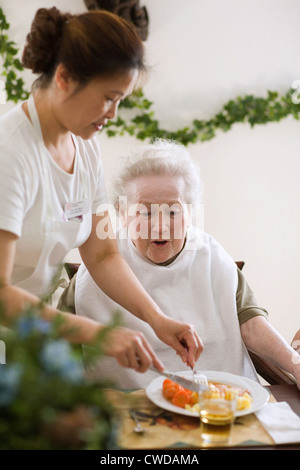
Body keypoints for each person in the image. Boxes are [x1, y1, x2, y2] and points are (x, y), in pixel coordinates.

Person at [0, 7, 203, 373]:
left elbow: (103, 254)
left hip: (37, 332)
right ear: (64, 77)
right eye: (108, 97)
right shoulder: (10, 153)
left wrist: (157, 320)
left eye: (120, 100)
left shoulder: (84, 148)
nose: (112, 114)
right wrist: (99, 334)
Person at [60, 139, 300, 390]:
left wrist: (295, 363)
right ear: (122, 212)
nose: (160, 226)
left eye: (173, 212)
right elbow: (58, 340)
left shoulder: (213, 258)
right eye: (145, 212)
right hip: (130, 410)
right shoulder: (99, 264)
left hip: (218, 403)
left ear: (191, 210)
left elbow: (252, 326)